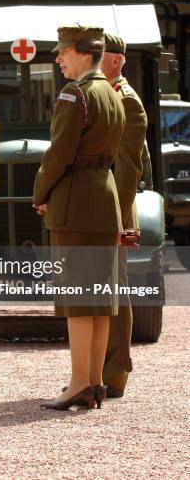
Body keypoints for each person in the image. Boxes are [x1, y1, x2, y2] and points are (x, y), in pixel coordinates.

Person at [33, 25, 125, 411]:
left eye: (63, 52)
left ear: (85, 54)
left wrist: (40, 192)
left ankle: (77, 384)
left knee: (76, 298)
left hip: (74, 201)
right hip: (105, 198)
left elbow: (59, 153)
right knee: (99, 300)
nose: (58, 59)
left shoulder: (76, 93)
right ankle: (94, 382)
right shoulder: (111, 92)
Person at [101, 33, 148, 398]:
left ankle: (115, 372)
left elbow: (129, 168)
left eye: (97, 55)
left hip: (115, 207)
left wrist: (119, 222)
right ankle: (96, 367)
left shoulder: (126, 101)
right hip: (98, 206)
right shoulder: (103, 95)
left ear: (116, 60)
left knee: (114, 286)